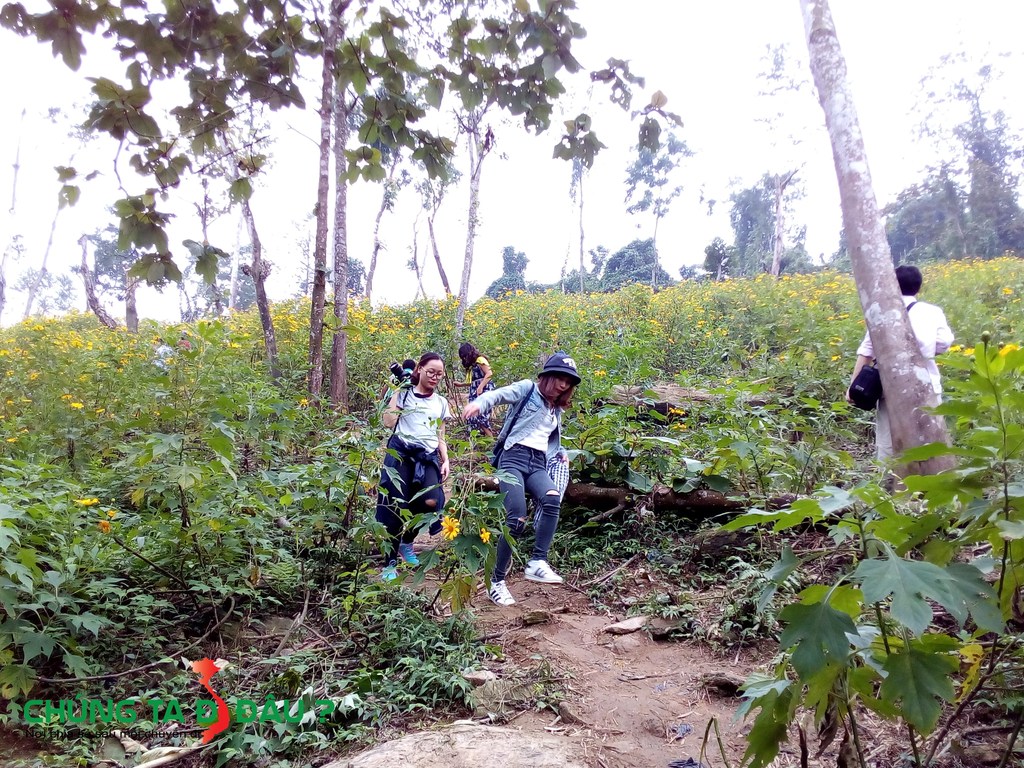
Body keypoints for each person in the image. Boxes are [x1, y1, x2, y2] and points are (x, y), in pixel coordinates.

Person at [463, 351, 581, 607]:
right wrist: (480, 403)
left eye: (568, 382)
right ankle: (496, 582)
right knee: (516, 518)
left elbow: (546, 437)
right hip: (513, 459)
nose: (563, 385)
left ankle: (537, 561)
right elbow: (499, 394)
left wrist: (561, 452)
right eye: (560, 379)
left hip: (538, 463)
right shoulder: (528, 389)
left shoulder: (555, 408)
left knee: (552, 499)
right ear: (548, 376)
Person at [846, 265, 953, 461]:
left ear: (892, 284)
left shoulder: (883, 311)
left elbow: (867, 351)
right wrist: (924, 349)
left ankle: (891, 479)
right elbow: (944, 343)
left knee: (889, 444)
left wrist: (853, 387)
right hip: (927, 385)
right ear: (918, 287)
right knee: (931, 440)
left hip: (891, 388)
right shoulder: (932, 312)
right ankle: (932, 477)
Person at [376, 352, 451, 581]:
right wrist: (396, 389)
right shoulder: (406, 394)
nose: (435, 377)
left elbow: (440, 434)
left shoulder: (441, 402)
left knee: (432, 501)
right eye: (431, 372)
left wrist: (445, 459)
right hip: (401, 454)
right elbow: (388, 422)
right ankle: (390, 562)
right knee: (395, 505)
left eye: (439, 374)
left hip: (427, 457)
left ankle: (407, 541)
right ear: (420, 369)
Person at [455, 342, 496, 436]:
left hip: (484, 389)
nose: (464, 359)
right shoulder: (472, 365)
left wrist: (480, 387)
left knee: (481, 415)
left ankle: (491, 439)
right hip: (475, 391)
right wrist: (461, 384)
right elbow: (473, 381)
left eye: (465, 356)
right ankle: (479, 439)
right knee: (472, 415)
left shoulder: (480, 360)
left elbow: (489, 373)